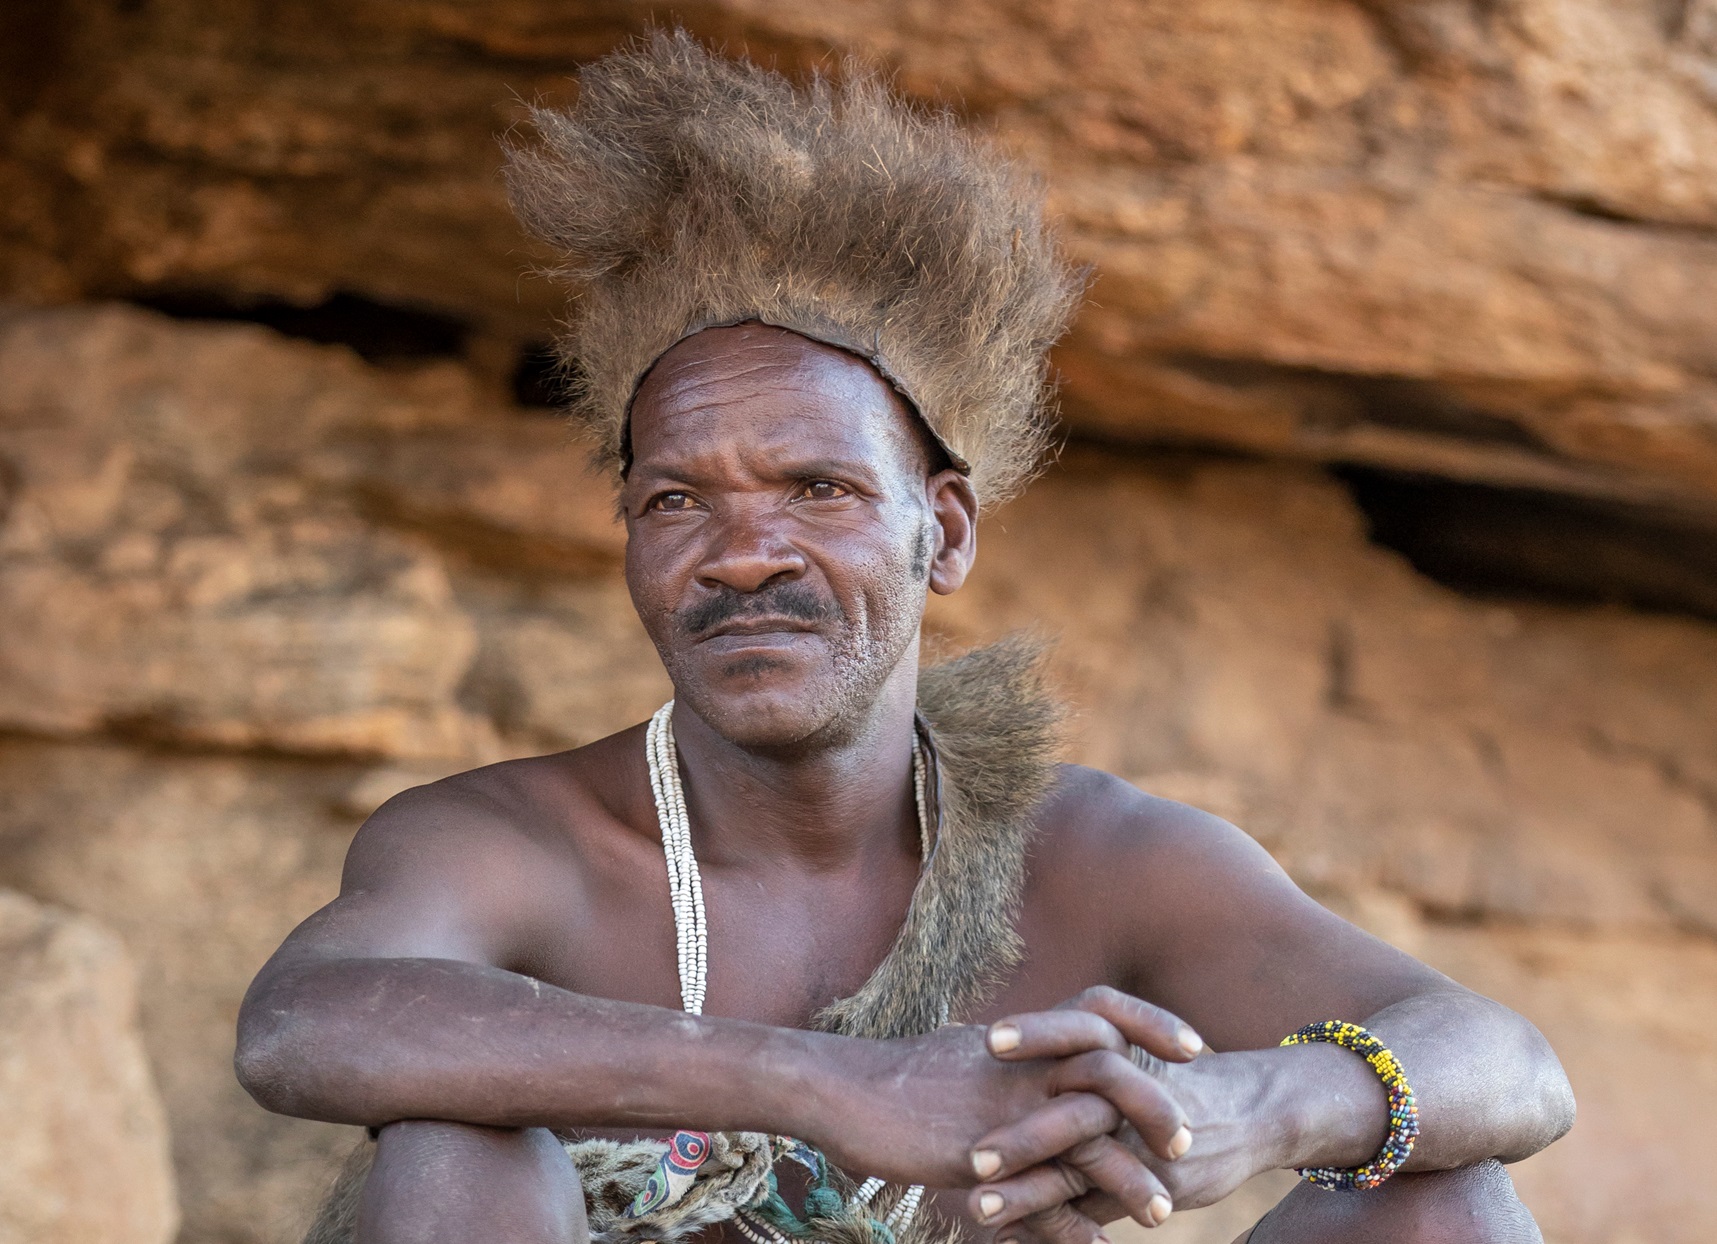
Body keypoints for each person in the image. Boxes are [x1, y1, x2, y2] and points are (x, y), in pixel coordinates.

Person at [235, 32, 1573, 1244]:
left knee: (1437, 1191)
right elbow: (307, 1020)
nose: (742, 552)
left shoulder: (1093, 862)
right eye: (675, 500)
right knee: (455, 1149)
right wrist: (831, 1084)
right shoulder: (514, 845)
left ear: (946, 530)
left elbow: (1508, 1065)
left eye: (817, 489)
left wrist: (1258, 1107)